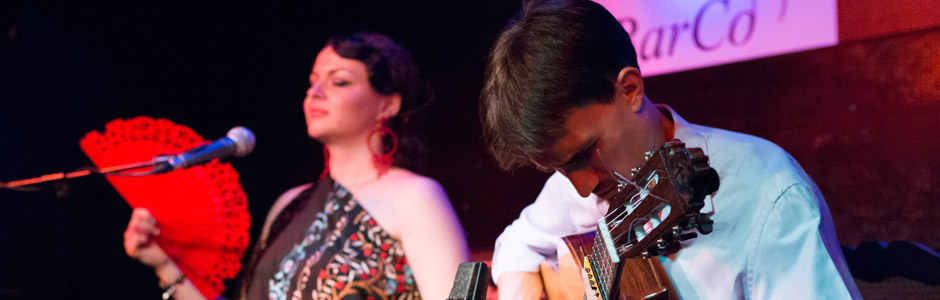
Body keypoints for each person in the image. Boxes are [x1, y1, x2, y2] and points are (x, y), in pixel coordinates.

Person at [480, 0, 861, 299]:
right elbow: (515, 247)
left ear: (629, 90)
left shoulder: (768, 197)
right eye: (561, 169)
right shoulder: (579, 188)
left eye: (586, 153)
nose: (581, 187)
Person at [124, 32, 469, 300]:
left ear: (388, 104)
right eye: (312, 81)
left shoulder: (416, 198)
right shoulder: (289, 206)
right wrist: (165, 264)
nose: (315, 91)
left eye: (339, 81)